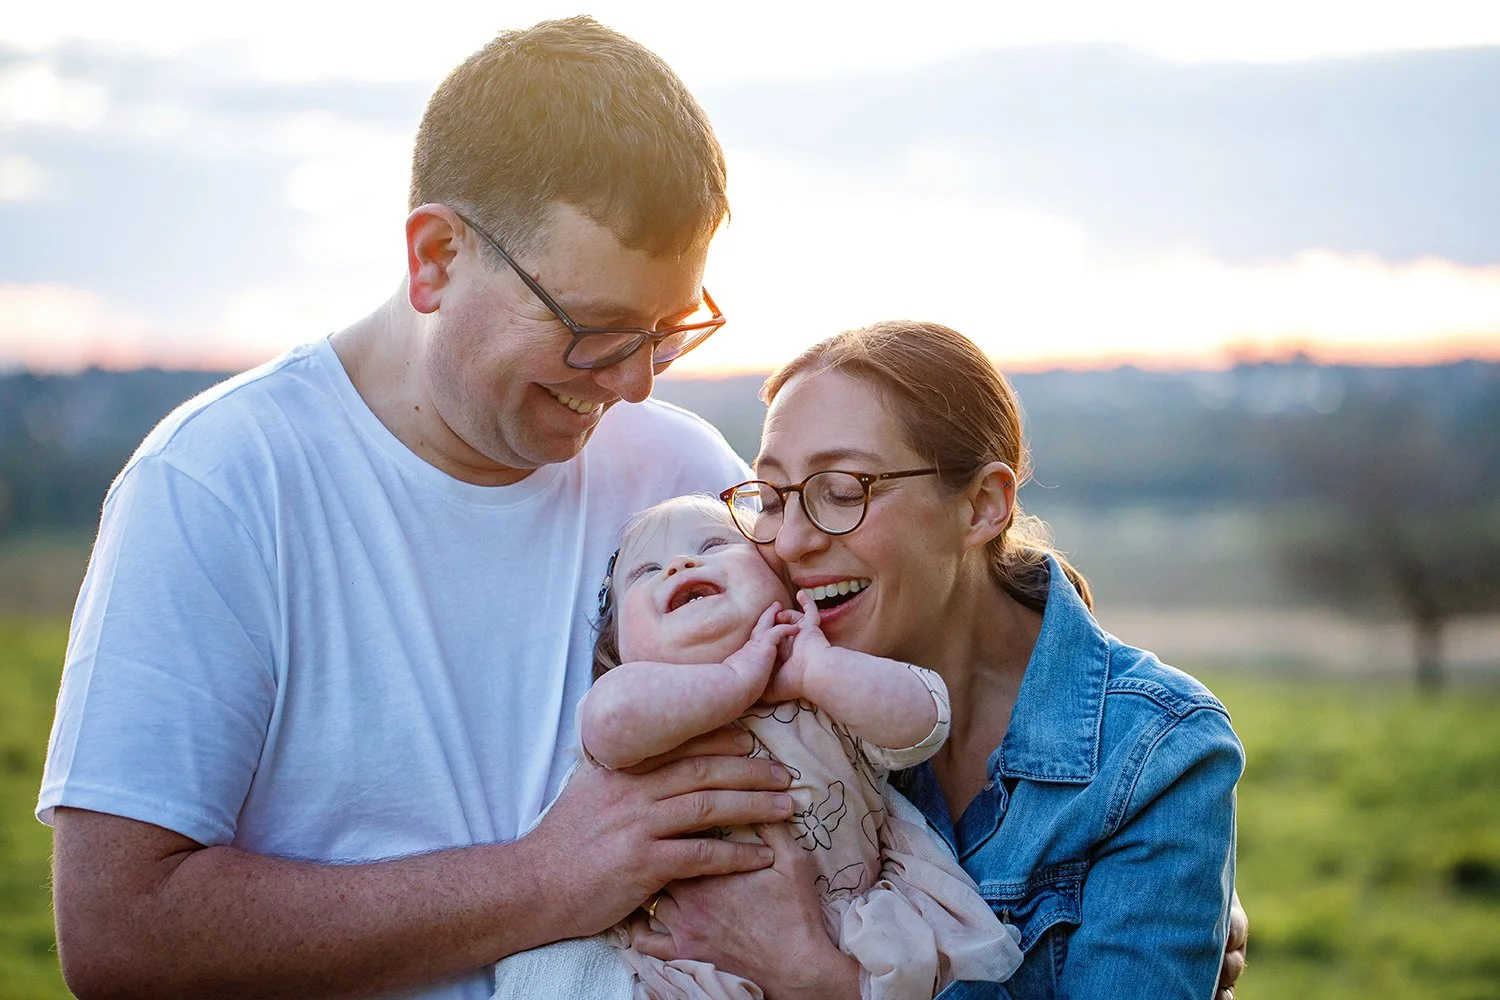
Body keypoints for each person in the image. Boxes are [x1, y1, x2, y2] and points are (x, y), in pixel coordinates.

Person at [36, 17, 797, 1000]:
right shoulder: (217, 483)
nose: (638, 383)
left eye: (668, 330)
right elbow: (118, 934)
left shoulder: (685, 477)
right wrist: (544, 879)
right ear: (435, 255)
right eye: (598, 329)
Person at [625, 320, 1247, 998]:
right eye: (773, 499)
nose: (793, 541)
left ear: (981, 506)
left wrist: (818, 978)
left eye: (842, 491)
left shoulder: (1155, 753)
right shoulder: (757, 703)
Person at [492, 494, 1021, 999]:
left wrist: (817, 669)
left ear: (787, 591)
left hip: (857, 934)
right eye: (644, 572)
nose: (677, 565)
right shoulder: (635, 694)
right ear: (619, 648)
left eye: (713, 547)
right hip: (686, 964)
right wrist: (736, 679)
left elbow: (922, 719)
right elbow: (609, 724)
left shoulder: (822, 685)